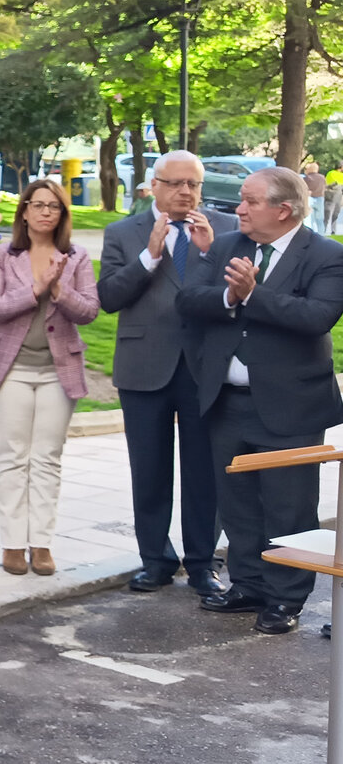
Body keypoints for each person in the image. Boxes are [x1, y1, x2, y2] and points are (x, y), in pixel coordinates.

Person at [178, 167, 343, 635]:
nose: (239, 209)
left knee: (289, 507)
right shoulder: (229, 245)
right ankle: (248, 584)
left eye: (250, 201)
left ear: (283, 209)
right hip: (226, 402)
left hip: (291, 406)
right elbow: (189, 300)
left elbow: (317, 317)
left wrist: (253, 295)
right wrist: (230, 298)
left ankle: (286, 597)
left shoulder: (327, 255)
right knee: (237, 503)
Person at [95, 152, 234, 596]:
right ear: (153, 185)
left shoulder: (226, 229)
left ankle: (202, 564)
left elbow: (236, 297)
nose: (185, 192)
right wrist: (148, 258)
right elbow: (108, 297)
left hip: (203, 367)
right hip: (144, 365)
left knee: (204, 471)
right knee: (149, 469)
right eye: (175, 183)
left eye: (193, 184)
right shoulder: (123, 232)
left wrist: (210, 253)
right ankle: (155, 560)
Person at [0, 180, 100, 575]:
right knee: (13, 456)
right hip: (10, 369)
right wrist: (35, 289)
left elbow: (90, 311)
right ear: (25, 212)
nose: (46, 212)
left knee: (47, 458)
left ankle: (41, 544)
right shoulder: (2, 254)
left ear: (63, 214)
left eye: (54, 206)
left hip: (57, 371)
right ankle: (13, 543)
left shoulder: (77, 256)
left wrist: (59, 289)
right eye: (39, 205)